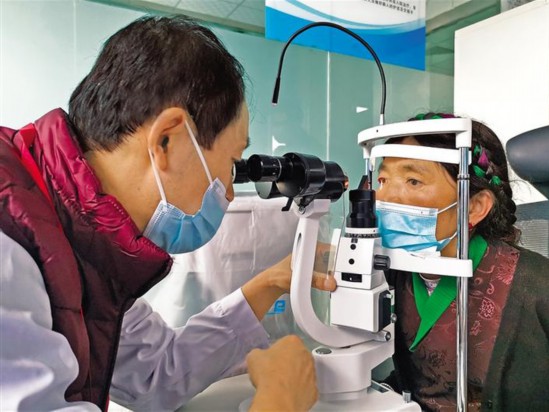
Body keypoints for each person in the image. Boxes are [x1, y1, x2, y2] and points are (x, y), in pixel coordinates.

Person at [0, 15, 335, 411]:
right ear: (167, 140)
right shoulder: (10, 245)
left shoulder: (83, 243)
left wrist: (271, 282)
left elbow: (155, 373)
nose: (229, 194)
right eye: (231, 164)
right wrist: (279, 402)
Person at [375, 112, 549, 411]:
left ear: (474, 207)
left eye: (413, 181)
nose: (384, 197)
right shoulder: (393, 273)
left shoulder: (538, 289)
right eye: (382, 179)